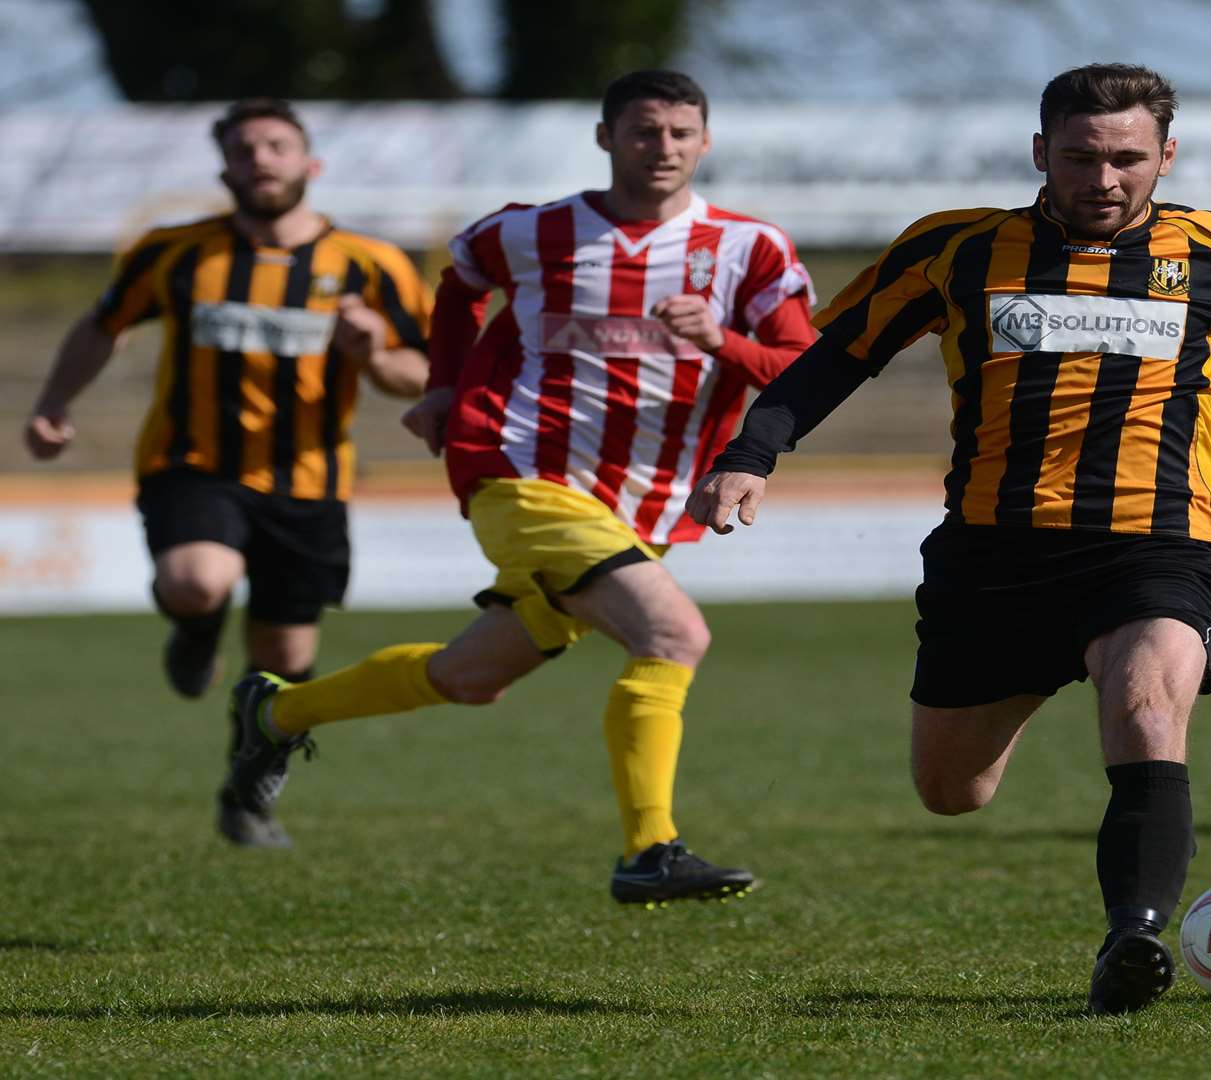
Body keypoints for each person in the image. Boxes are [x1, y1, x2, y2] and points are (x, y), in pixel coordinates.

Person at [688, 63, 1211, 1014]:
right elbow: (840, 352)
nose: (1105, 178)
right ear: (1042, 152)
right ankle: (1049, 675)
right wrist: (753, 452)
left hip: (1157, 538)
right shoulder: (956, 248)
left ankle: (1134, 936)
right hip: (995, 555)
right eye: (1081, 156)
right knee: (951, 791)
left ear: (1168, 156)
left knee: (1148, 713)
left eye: (1128, 158)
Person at [216, 71, 817, 905]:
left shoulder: (751, 250)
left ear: (705, 143)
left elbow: (801, 366)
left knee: (472, 677)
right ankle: (651, 850)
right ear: (606, 138)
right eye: (645, 131)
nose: (664, 148)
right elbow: (461, 283)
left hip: (637, 504)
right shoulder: (532, 232)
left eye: (681, 133)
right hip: (519, 471)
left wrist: (723, 341)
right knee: (673, 634)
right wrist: (441, 385)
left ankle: (277, 715)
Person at [22, 97, 429, 699]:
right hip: (193, 463)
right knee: (196, 582)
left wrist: (370, 354)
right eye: (243, 151)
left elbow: (423, 371)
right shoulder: (174, 251)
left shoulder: (373, 265)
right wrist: (54, 401)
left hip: (309, 478)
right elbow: (104, 325)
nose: (260, 160)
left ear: (310, 166)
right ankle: (195, 627)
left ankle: (249, 785)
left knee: (281, 660)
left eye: (276, 147)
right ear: (224, 173)